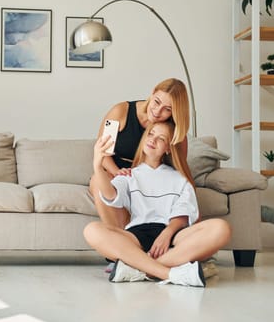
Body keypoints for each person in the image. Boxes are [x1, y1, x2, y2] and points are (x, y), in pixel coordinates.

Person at [83, 121, 231, 287]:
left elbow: (182, 216)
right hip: (136, 235)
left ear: (168, 148)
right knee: (92, 230)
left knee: (221, 228)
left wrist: (167, 234)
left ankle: (139, 267)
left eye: (161, 138)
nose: (153, 140)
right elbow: (111, 195)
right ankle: (168, 273)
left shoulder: (179, 179)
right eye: (151, 134)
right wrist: (98, 164)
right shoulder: (129, 175)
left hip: (172, 234)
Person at [89, 78, 191, 230]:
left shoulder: (174, 130)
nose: (157, 112)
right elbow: (102, 153)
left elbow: (179, 167)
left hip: (147, 181)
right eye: (156, 102)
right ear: (153, 92)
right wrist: (117, 172)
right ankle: (123, 244)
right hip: (115, 173)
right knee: (98, 181)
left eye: (167, 109)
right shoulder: (120, 111)